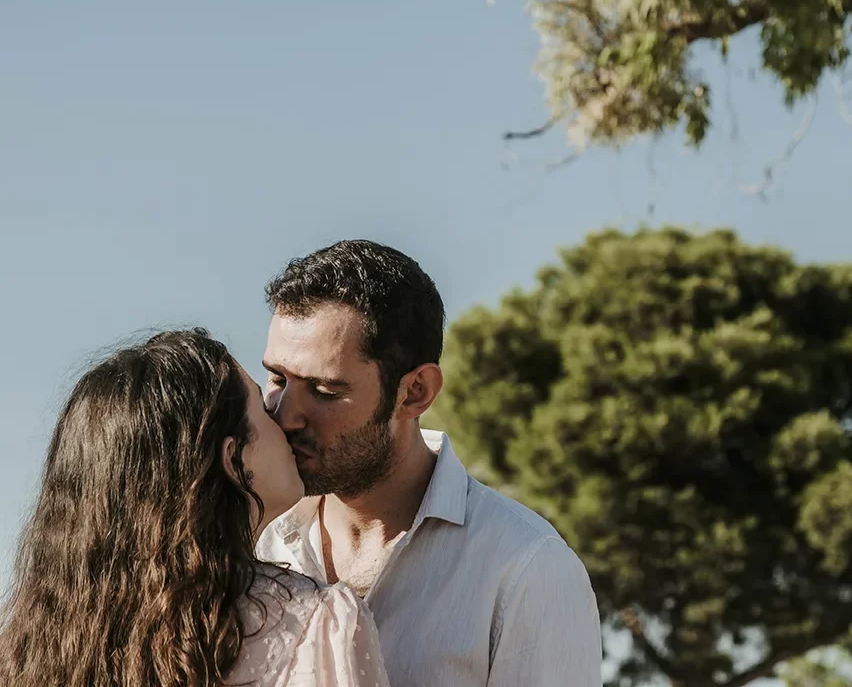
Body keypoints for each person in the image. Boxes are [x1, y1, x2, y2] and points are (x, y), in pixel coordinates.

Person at [257, 240, 603, 687]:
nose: (285, 415)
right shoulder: (252, 542)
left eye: (324, 391)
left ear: (415, 392)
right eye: (277, 378)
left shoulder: (525, 568)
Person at [0, 329, 391, 687]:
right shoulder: (320, 626)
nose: (285, 420)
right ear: (234, 459)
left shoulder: (35, 645)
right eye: (262, 405)